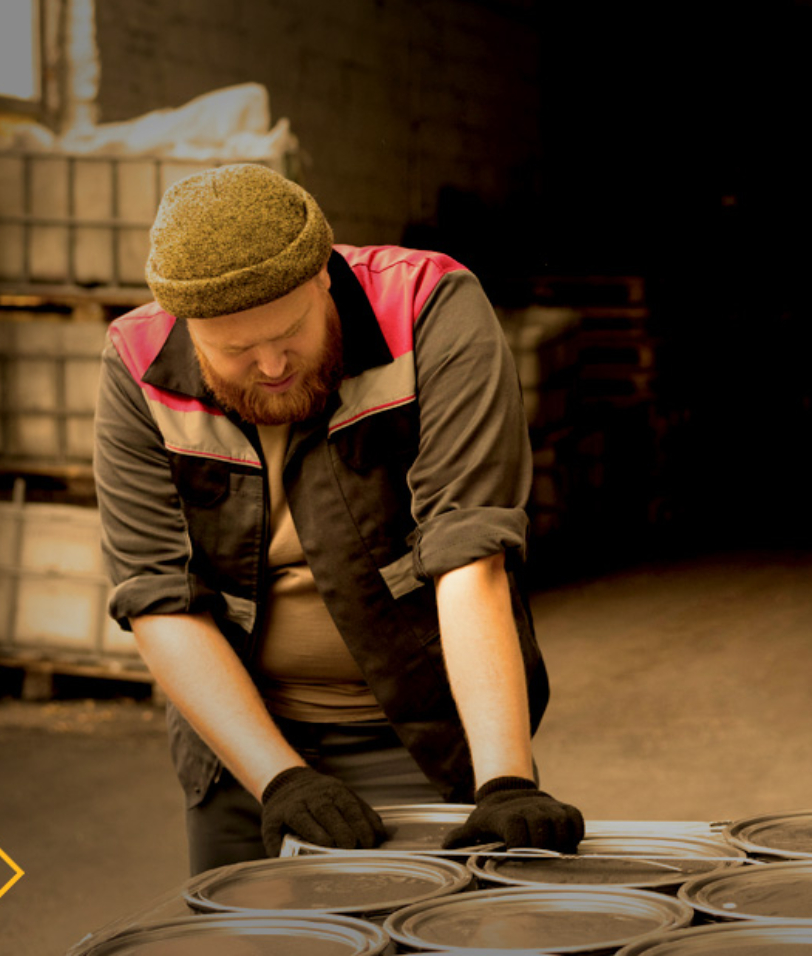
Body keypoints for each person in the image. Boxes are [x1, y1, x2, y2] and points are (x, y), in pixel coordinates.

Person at [94, 163, 584, 874]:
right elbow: (156, 596)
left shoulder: (430, 305)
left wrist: (503, 779)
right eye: (234, 351)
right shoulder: (135, 363)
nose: (269, 365)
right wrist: (278, 779)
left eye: (291, 332)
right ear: (185, 325)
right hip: (242, 750)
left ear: (325, 273)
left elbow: (468, 549)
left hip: (419, 738)